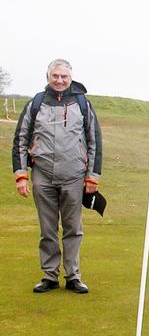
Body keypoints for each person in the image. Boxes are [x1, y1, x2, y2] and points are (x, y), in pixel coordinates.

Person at [12, 59, 102, 294]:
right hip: (42, 175)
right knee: (48, 229)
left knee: (73, 228)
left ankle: (73, 276)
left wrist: (92, 177)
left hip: (74, 175)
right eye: (55, 76)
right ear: (48, 77)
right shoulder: (36, 103)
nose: (60, 80)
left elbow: (94, 141)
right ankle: (49, 276)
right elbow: (20, 140)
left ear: (71, 78)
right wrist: (21, 175)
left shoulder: (83, 104)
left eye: (64, 76)